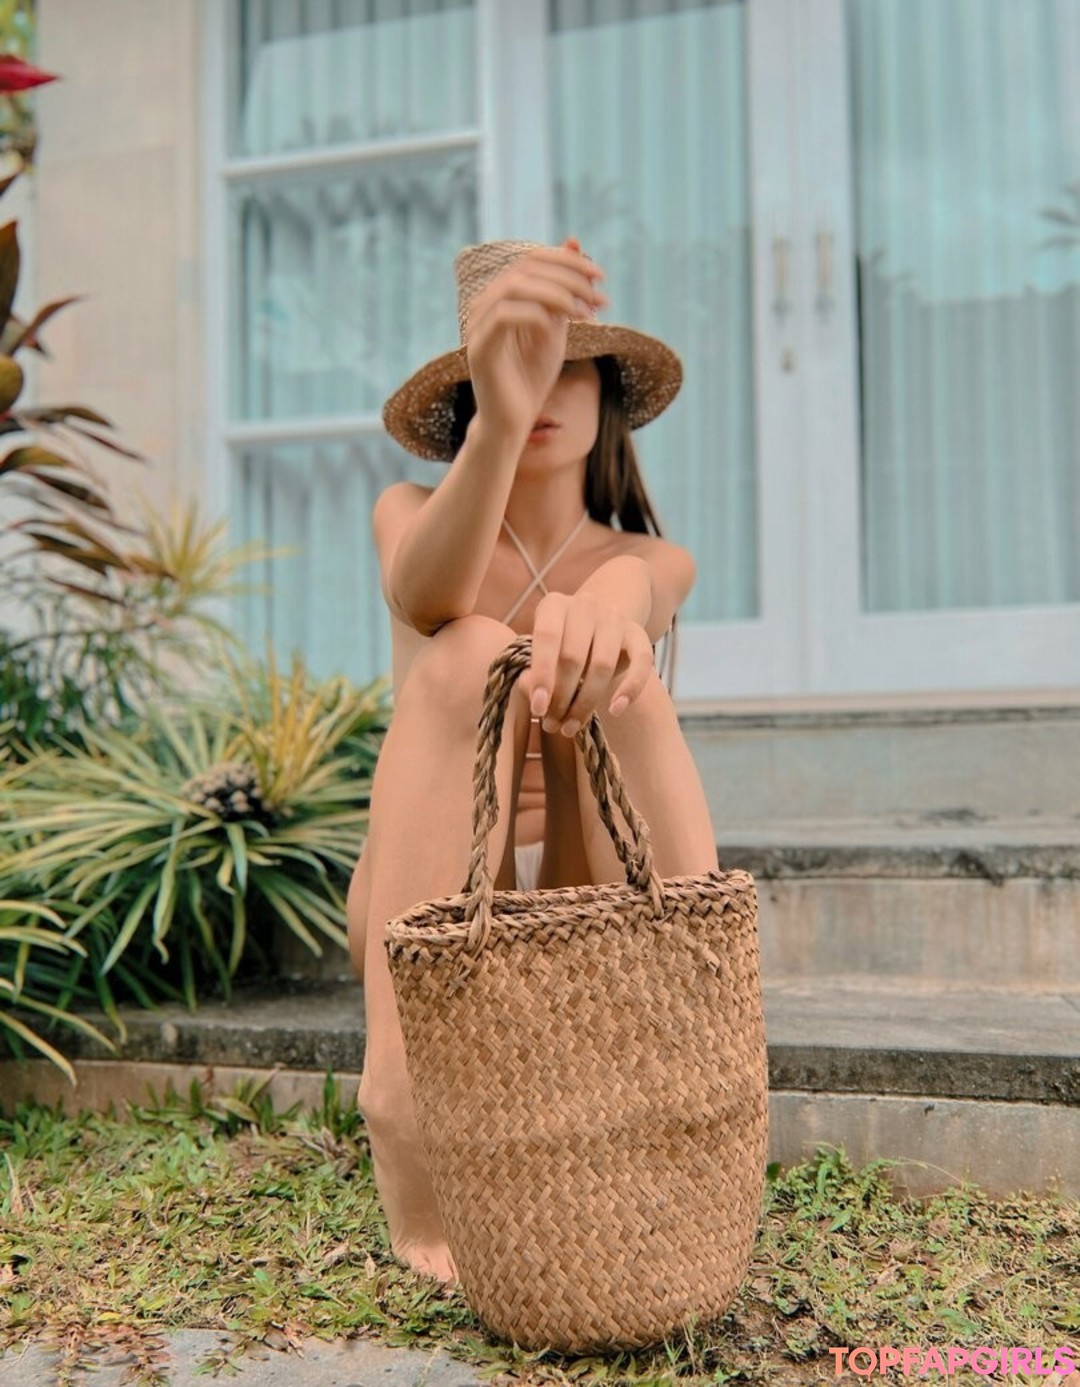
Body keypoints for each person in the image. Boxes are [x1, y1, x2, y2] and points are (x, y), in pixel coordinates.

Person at [345, 236, 719, 1285]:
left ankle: (698, 1062)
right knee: (469, 644)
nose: (542, 388)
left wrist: (606, 608)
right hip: (433, 904)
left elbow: (639, 587)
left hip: (585, 897)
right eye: (514, 364)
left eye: (566, 366)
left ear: (608, 395)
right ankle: (402, 1100)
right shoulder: (409, 514)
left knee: (623, 675)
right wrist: (499, 425)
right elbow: (425, 597)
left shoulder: (651, 555)